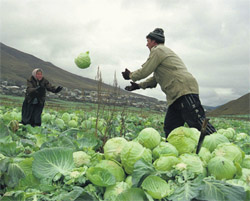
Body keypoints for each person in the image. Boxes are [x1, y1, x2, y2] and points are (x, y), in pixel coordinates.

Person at [122, 28, 216, 137]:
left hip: (183, 89)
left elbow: (145, 71)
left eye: (148, 41)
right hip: (175, 95)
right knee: (171, 127)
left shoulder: (158, 50)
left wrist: (130, 76)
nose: (146, 45)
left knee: (197, 122)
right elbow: (155, 79)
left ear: (154, 41)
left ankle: (218, 143)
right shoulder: (162, 54)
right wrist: (138, 86)